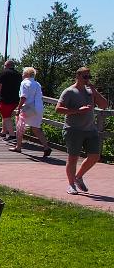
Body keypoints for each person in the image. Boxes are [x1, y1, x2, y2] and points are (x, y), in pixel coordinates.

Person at [56, 67, 108, 195]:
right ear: (78, 76)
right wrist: (78, 110)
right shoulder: (69, 92)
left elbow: (104, 105)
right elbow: (58, 109)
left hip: (90, 129)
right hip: (73, 129)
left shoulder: (91, 92)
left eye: (89, 77)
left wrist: (95, 92)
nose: (87, 80)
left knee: (95, 156)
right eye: (85, 77)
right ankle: (71, 184)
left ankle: (78, 177)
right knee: (73, 158)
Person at [11, 66, 50, 158]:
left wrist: (19, 108)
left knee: (20, 126)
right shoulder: (37, 84)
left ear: (26, 74)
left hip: (29, 107)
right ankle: (46, 147)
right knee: (36, 128)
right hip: (39, 108)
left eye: (23, 73)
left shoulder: (24, 83)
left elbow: (23, 97)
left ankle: (18, 147)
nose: (22, 74)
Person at [0, 59, 21, 140]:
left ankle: (12, 135)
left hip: (5, 99)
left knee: (6, 116)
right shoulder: (18, 74)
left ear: (6, 66)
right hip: (16, 100)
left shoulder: (3, 73)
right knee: (6, 115)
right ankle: (3, 132)